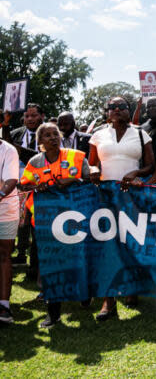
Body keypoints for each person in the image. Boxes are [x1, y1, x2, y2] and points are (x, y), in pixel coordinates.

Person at [88, 96, 155, 320]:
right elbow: (91, 163)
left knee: (130, 242)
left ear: (129, 110)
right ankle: (108, 301)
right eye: (112, 107)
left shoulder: (140, 133)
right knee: (108, 245)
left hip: (131, 196)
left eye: (122, 107)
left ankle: (132, 287)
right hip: (104, 196)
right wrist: (94, 170)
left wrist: (136, 173)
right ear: (107, 111)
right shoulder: (98, 135)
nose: (117, 110)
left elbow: (150, 165)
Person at [19, 122, 90, 328]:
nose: (52, 138)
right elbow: (24, 184)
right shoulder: (35, 161)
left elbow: (90, 182)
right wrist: (36, 185)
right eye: (47, 135)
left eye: (55, 134)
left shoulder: (75, 156)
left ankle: (85, 294)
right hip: (46, 222)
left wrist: (73, 181)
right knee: (51, 265)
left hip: (76, 218)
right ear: (40, 141)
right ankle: (53, 314)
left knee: (79, 258)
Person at [10, 103, 44, 269]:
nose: (30, 119)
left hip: (40, 187)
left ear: (42, 116)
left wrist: (21, 151)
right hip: (18, 186)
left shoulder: (48, 134)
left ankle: (36, 262)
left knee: (36, 224)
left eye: (33, 115)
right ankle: (20, 253)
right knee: (21, 222)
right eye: (27, 116)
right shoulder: (14, 134)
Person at [0, 137, 19, 324]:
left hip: (5, 210)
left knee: (4, 255)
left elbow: (11, 180)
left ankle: (4, 306)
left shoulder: (8, 150)